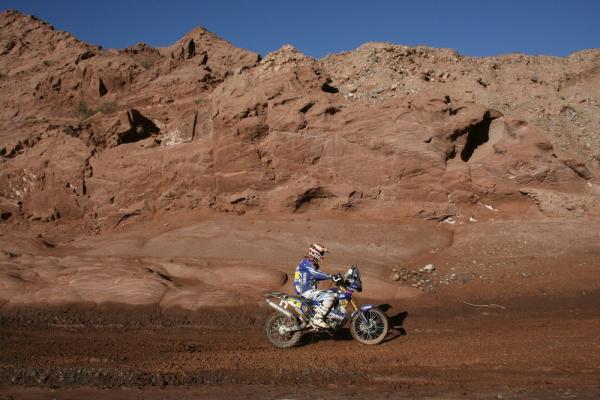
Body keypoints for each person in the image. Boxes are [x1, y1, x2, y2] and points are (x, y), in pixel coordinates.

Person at [293, 243, 341, 328]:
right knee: (330, 296)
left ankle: (315, 317)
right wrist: (331, 276)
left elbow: (314, 276)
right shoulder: (307, 262)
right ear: (316, 252)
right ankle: (318, 318)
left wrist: (330, 278)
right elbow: (315, 274)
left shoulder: (307, 262)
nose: (322, 255)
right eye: (321, 253)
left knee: (332, 291)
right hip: (306, 292)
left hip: (306, 291)